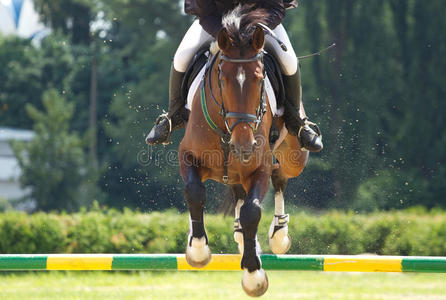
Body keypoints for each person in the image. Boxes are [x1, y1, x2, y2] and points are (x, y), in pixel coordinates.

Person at [146, 0, 323, 152]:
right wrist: (226, 36)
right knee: (181, 57)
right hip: (217, 24)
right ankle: (171, 117)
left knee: (289, 60)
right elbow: (204, 12)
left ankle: (298, 123)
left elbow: (276, 8)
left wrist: (254, 31)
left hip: (260, 25)